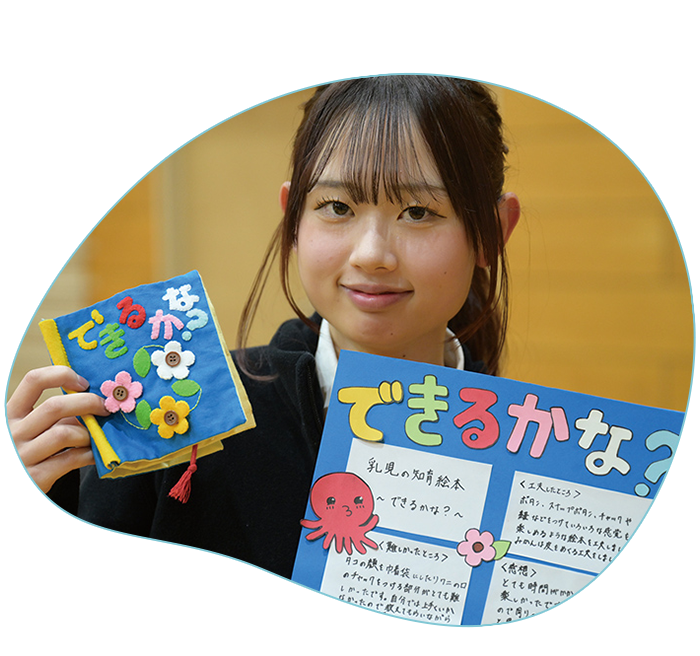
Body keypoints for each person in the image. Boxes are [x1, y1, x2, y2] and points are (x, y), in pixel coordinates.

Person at [13, 74, 687, 626]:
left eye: (419, 212)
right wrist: (23, 517)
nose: (372, 254)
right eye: (337, 207)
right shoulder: (172, 418)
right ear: (293, 217)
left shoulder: (577, 475)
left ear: (492, 232)